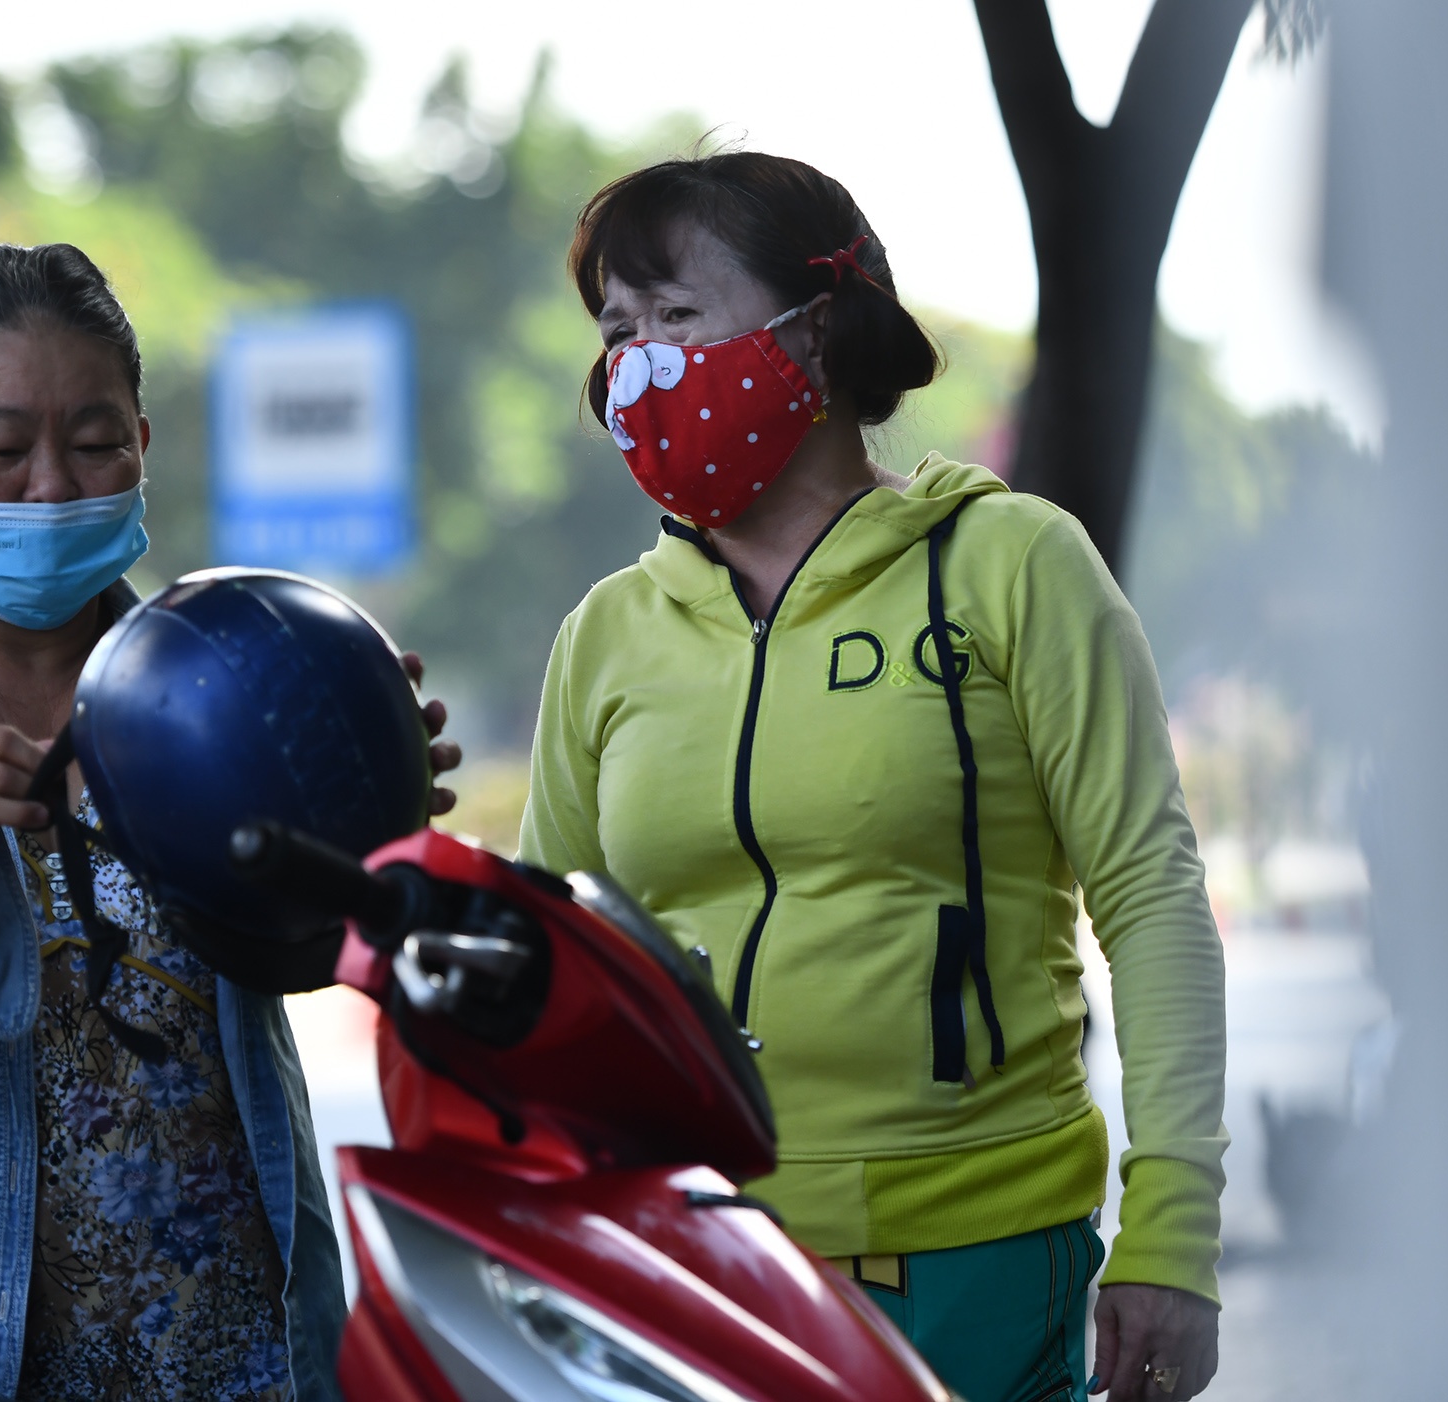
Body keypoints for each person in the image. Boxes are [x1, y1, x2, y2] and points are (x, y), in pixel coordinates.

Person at [519, 153, 1227, 1402]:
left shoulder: (1010, 564)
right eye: (616, 330)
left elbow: (1150, 895)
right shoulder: (604, 635)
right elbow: (553, 960)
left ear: (821, 329)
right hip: (688, 1257)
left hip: (973, 1254)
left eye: (678, 316)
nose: (638, 363)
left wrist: (1170, 1222)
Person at [0, 242, 459, 1400]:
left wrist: (357, 821)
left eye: (95, 441)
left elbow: (299, 962)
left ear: (142, 447)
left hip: (243, 1353)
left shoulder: (230, 683)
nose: (52, 486)